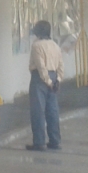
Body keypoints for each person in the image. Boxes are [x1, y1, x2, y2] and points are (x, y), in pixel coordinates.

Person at [26, 20, 63, 151]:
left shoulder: (37, 46)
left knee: (38, 111)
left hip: (40, 79)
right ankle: (55, 140)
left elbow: (41, 66)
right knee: (52, 111)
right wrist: (57, 80)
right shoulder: (55, 45)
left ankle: (39, 142)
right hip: (54, 77)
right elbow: (60, 65)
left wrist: (48, 82)